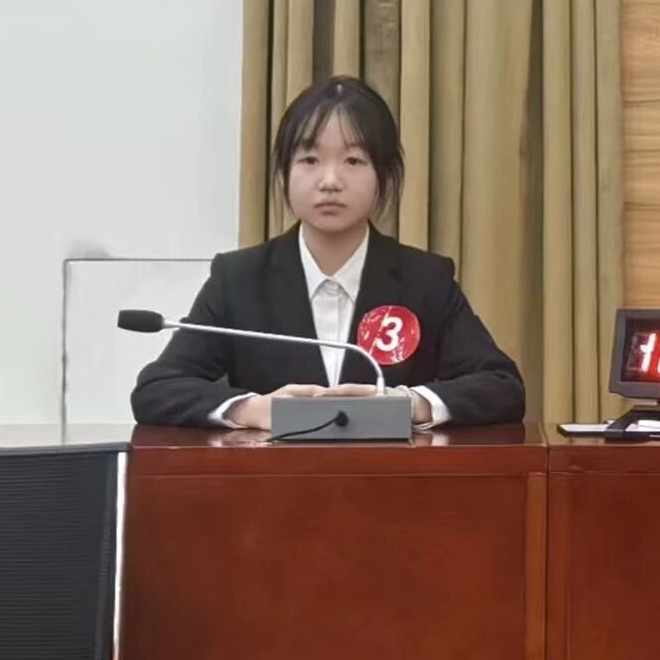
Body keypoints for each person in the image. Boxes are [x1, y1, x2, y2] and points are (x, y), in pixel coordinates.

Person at [131, 76, 525, 428]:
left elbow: (502, 386)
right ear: (284, 173)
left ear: (383, 175)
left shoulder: (424, 280)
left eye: (353, 160)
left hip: (393, 482)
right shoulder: (240, 279)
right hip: (271, 483)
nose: (330, 181)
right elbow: (158, 388)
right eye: (310, 160)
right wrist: (252, 409)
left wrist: (410, 404)